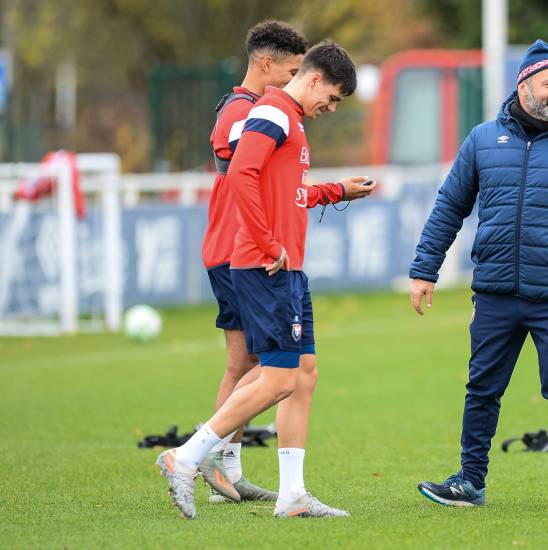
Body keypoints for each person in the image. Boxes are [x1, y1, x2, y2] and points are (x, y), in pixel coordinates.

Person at [157, 40, 375, 520]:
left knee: (304, 375)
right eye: (333, 97)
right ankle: (187, 457)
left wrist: (339, 191)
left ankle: (293, 494)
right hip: (265, 265)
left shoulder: (290, 119)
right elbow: (240, 174)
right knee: (276, 377)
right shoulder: (273, 112)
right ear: (314, 79)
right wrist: (266, 240)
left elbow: (288, 191)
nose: (331, 109)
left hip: (288, 266)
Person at [409, 39, 548, 510]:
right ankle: (471, 482)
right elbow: (450, 206)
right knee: (482, 388)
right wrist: (424, 268)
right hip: (494, 292)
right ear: (524, 86)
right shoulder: (484, 139)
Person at [200, 20, 308, 504]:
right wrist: (266, 243)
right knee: (253, 365)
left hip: (237, 247)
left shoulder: (249, 107)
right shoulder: (248, 111)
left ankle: (227, 469)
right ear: (266, 65)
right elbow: (247, 175)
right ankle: (211, 457)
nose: (295, 81)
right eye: (290, 71)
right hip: (235, 250)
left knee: (248, 361)